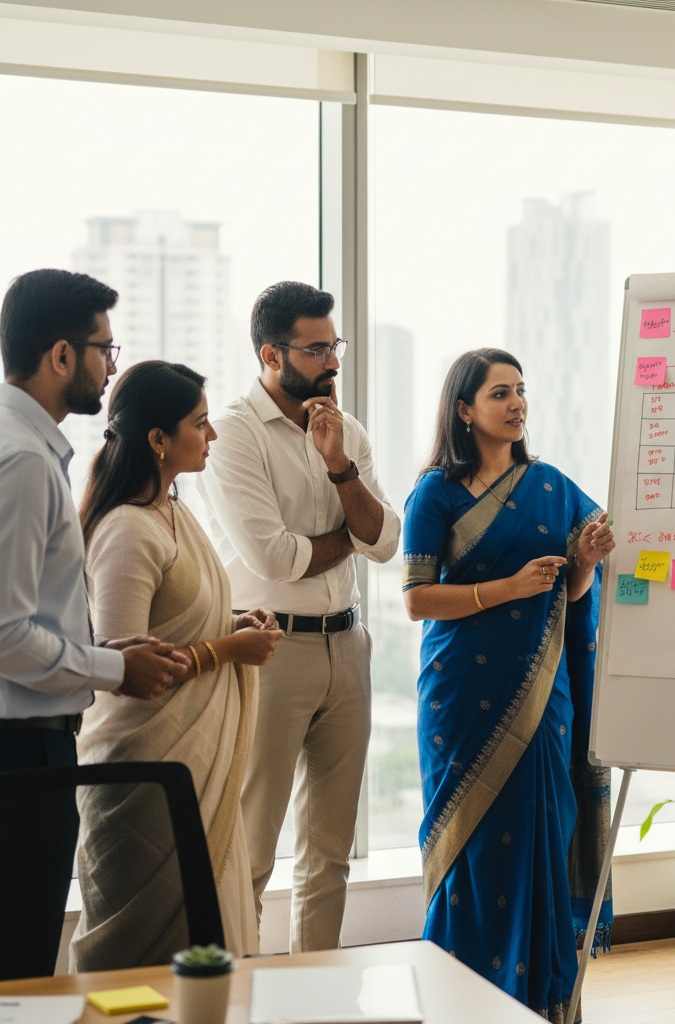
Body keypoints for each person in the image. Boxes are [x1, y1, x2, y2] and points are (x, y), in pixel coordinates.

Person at [402, 348, 615, 1022]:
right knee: (470, 850)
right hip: (462, 695)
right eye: (500, 393)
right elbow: (417, 599)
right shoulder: (433, 491)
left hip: (542, 691)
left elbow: (575, 591)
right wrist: (508, 588)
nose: (517, 404)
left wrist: (582, 564)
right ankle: (460, 1000)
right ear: (464, 410)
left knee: (540, 834)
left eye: (521, 391)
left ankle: (544, 1002)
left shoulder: (551, 486)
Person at [0, 269, 190, 981]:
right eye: (105, 349)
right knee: (17, 967)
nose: (112, 366)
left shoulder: (26, 447)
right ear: (60, 356)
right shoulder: (21, 460)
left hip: (27, 742)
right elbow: (5, 635)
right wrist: (115, 669)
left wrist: (97, 648)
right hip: (20, 754)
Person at [198, 281, 400, 952]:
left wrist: (340, 467)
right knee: (251, 848)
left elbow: (389, 540)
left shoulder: (348, 433)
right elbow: (277, 557)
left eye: (333, 345)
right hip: (269, 650)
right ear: (270, 352)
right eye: (316, 349)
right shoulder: (231, 433)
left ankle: (320, 998)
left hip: (348, 646)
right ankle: (238, 997)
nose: (332, 362)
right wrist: (353, 536)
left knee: (330, 852)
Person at [68, 360, 283, 970]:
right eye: (200, 424)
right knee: (150, 956)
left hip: (196, 768)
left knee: (212, 933)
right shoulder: (129, 530)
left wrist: (234, 626)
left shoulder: (173, 510)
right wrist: (227, 651)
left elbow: (173, 627)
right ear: (158, 440)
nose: (211, 436)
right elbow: (124, 672)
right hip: (148, 774)